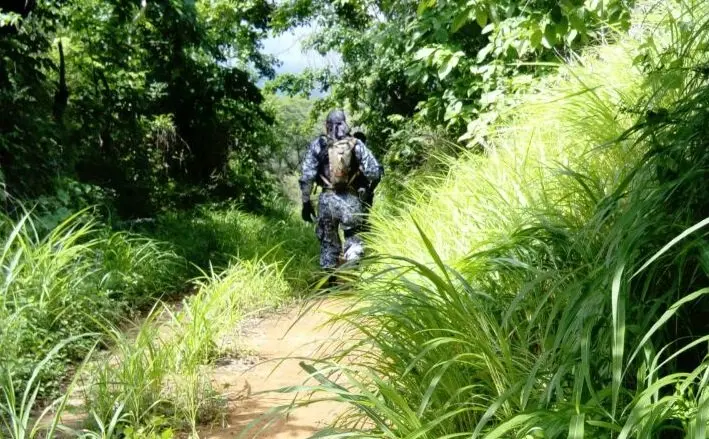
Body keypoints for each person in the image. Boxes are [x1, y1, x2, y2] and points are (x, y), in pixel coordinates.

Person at [299, 110, 382, 272]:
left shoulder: (318, 145)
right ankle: (352, 277)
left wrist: (305, 202)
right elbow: (374, 172)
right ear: (344, 123)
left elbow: (307, 176)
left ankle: (329, 282)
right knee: (354, 241)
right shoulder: (355, 144)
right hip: (351, 201)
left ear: (326, 125)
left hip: (326, 201)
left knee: (328, 244)